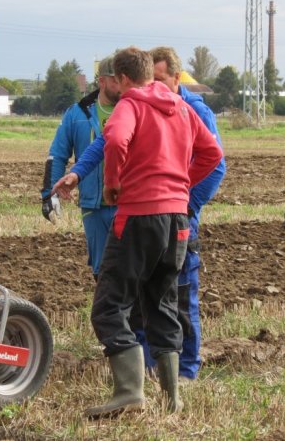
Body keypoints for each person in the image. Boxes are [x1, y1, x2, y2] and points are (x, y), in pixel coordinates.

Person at [54, 47, 226, 381]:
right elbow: (104, 143)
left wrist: (184, 198)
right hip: (171, 214)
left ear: (176, 79)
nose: (156, 87)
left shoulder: (179, 108)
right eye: (153, 79)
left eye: (161, 80)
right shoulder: (161, 106)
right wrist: (78, 173)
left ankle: (180, 373)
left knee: (169, 299)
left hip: (163, 215)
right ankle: (160, 381)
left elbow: (216, 164)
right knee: (155, 302)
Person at [40, 56, 120, 280]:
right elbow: (57, 154)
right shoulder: (77, 115)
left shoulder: (133, 111)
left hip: (130, 204)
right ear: (102, 81)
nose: (122, 85)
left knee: (131, 270)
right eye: (116, 80)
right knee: (102, 271)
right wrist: (49, 195)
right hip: (94, 206)